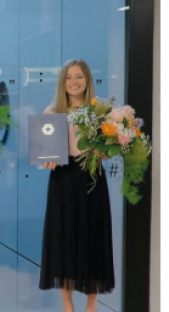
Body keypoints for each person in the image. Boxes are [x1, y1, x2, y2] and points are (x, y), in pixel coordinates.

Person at [39, 59, 115, 312]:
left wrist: (104, 151)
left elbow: (108, 152)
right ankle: (67, 305)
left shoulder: (100, 112)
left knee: (92, 235)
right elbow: (45, 154)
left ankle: (91, 305)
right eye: (69, 77)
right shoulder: (52, 113)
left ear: (87, 80)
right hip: (63, 179)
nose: (74, 81)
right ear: (63, 82)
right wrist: (46, 162)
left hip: (92, 178)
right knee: (64, 239)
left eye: (79, 76)